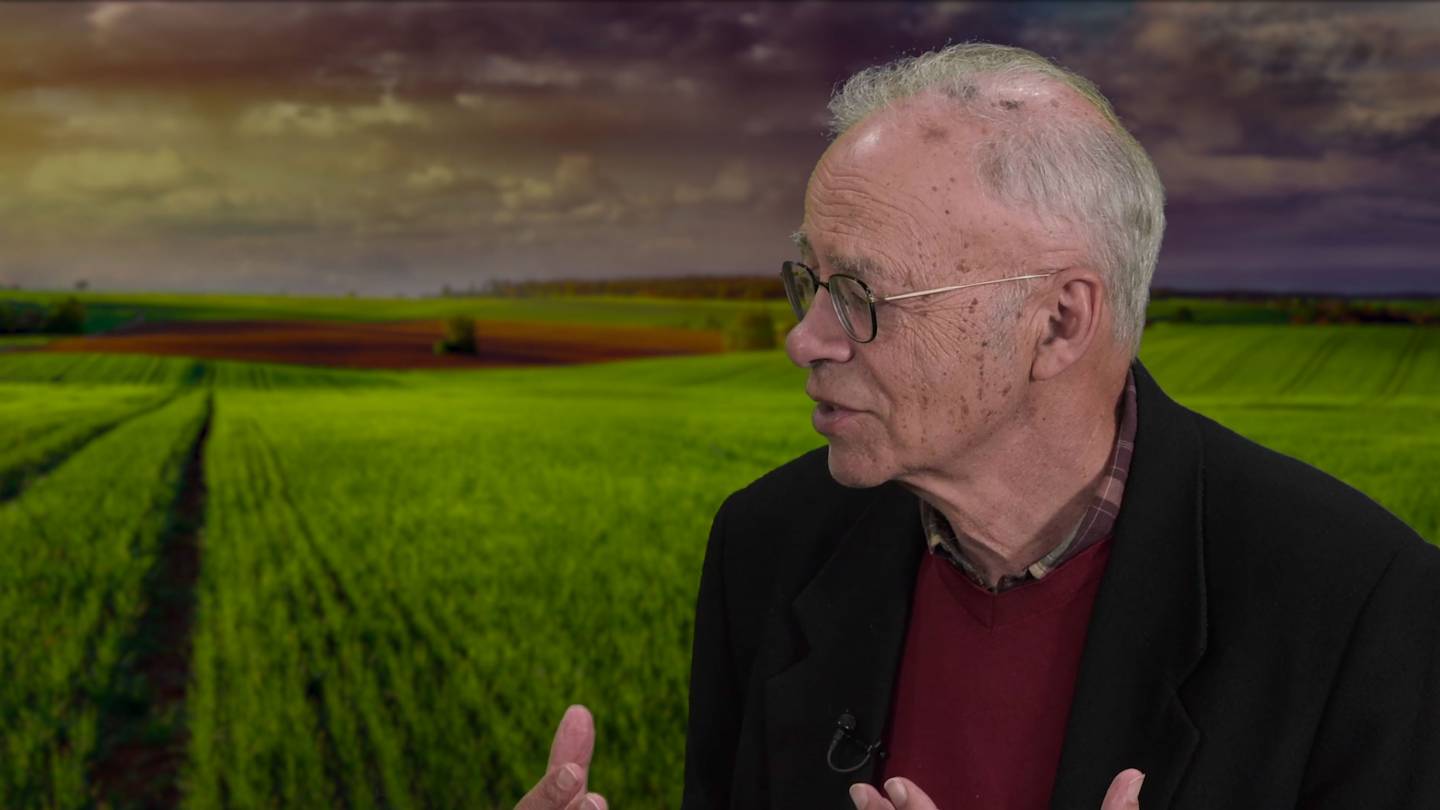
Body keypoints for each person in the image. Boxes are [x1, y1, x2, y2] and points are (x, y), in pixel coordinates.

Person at [515, 42, 1440, 810]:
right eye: (810, 281)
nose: (804, 338)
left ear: (1060, 323)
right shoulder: (768, 545)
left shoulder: (1362, 603)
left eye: (862, 295)